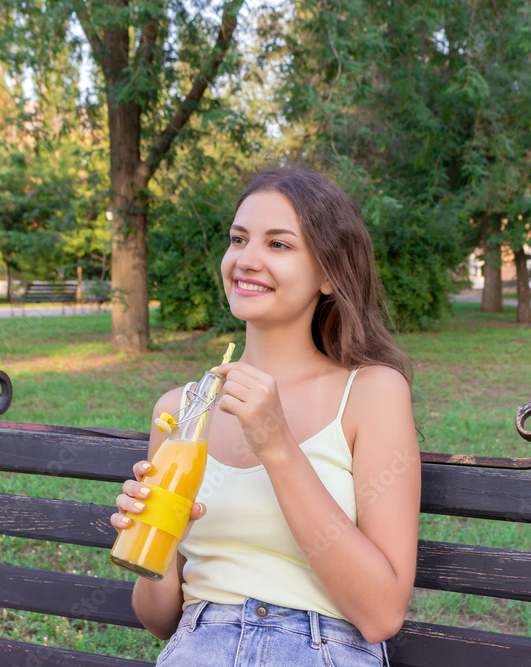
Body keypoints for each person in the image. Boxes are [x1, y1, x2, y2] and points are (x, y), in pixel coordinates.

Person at [111, 167, 420, 666]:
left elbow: (381, 614)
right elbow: (158, 620)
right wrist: (159, 541)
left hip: (321, 648)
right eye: (238, 239)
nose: (246, 260)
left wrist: (276, 444)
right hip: (197, 644)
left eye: (279, 245)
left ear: (328, 275)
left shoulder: (371, 394)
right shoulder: (180, 412)